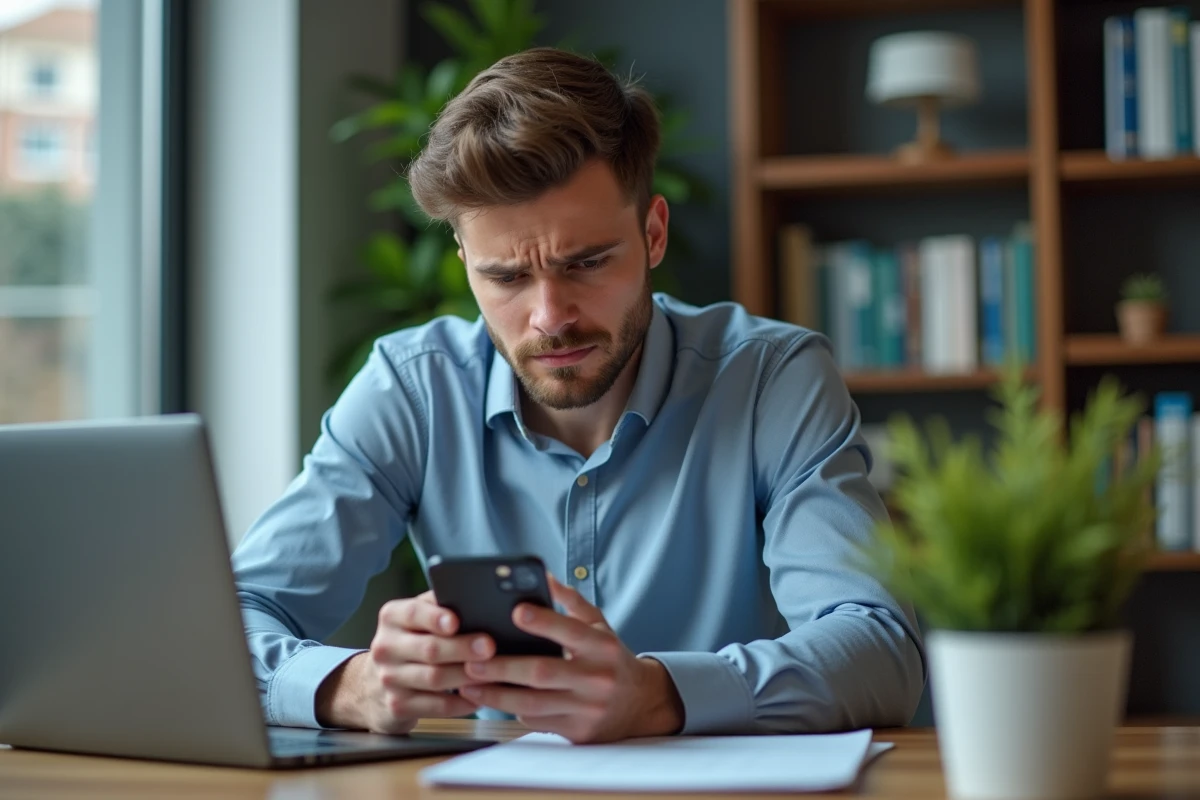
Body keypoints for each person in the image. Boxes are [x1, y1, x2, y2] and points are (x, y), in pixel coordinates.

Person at [231, 47, 925, 745]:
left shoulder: (773, 379)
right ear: (465, 265)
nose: (549, 317)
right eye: (505, 277)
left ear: (653, 233)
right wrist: (352, 686)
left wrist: (658, 697)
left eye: (586, 263)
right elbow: (231, 622)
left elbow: (879, 649)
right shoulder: (411, 388)